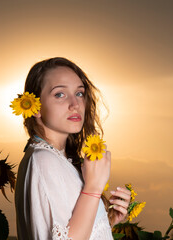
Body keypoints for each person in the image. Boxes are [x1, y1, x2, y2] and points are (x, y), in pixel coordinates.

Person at [14, 57, 131, 239]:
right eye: (60, 94)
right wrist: (92, 190)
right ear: (35, 107)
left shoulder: (57, 159)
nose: (75, 104)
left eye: (79, 93)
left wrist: (105, 221)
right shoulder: (44, 160)